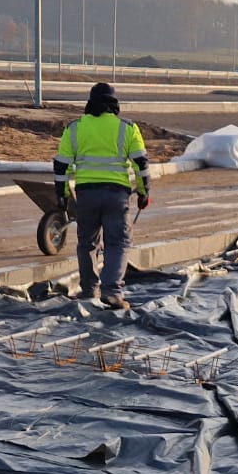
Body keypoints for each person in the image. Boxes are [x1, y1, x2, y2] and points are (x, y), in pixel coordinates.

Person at [54, 81, 150, 307]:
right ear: (114, 104)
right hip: (116, 195)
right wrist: (144, 192)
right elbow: (141, 163)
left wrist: (62, 194)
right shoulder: (128, 128)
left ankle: (89, 291)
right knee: (117, 242)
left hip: (86, 194)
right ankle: (112, 292)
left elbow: (61, 165)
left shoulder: (74, 128)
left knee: (86, 243)